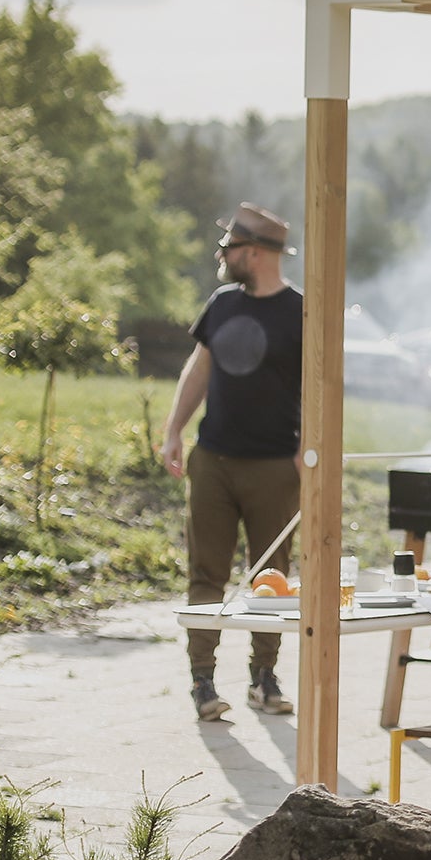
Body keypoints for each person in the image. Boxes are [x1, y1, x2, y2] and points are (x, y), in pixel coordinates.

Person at [161, 204, 303, 722]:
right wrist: (174, 430)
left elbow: (318, 388)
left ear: (257, 253)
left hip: (274, 467)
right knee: (206, 572)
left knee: (271, 578)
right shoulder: (221, 303)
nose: (221, 255)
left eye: (230, 247)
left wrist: (306, 455)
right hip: (213, 461)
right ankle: (203, 682)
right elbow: (199, 369)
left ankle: (264, 678)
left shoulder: (299, 311)